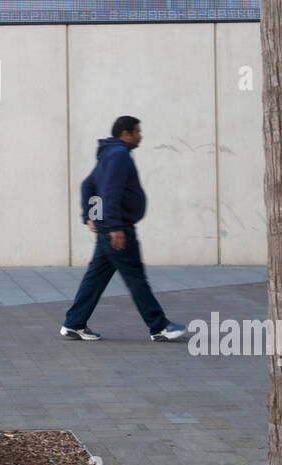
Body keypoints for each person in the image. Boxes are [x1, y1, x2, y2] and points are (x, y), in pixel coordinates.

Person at [61, 115, 190, 342]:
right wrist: (114, 227)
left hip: (107, 229)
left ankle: (73, 324)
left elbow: (88, 185)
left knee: (95, 279)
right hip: (117, 230)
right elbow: (111, 192)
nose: (141, 136)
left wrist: (91, 216)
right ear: (125, 134)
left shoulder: (109, 154)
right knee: (135, 278)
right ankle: (159, 326)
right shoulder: (119, 155)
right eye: (138, 132)